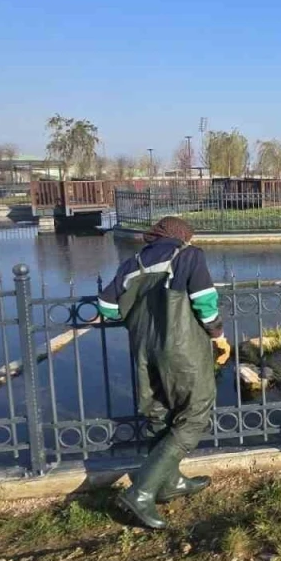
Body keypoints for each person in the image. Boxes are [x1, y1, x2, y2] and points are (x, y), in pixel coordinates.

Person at [97, 216, 231, 530]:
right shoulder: (188, 256)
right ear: (183, 238)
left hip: (144, 350)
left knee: (160, 415)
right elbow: (205, 303)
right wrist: (219, 336)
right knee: (195, 413)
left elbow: (106, 305)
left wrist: (136, 316)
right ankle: (141, 492)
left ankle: (170, 483)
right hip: (182, 351)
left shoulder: (132, 264)